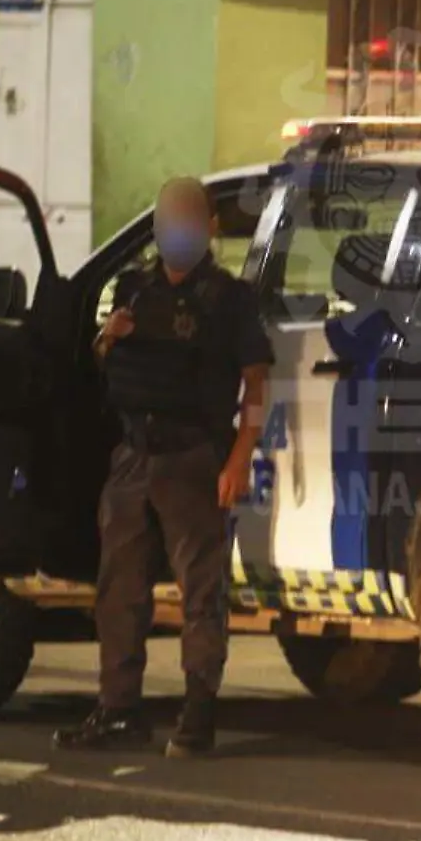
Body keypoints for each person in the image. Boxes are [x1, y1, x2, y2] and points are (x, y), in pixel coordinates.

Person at [53, 177, 273, 758]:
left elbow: (256, 384)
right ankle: (119, 709)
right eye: (168, 218)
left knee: (200, 592)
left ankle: (198, 713)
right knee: (118, 591)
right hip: (133, 456)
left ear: (207, 227)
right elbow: (106, 365)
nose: (177, 229)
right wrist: (107, 338)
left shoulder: (229, 300)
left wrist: (239, 456)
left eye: (187, 218)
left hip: (192, 458)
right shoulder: (134, 289)